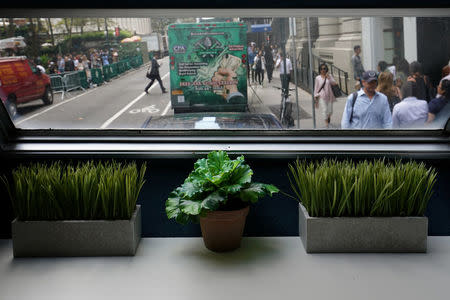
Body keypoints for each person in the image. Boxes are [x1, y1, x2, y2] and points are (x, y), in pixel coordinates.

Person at [314, 63, 338, 128]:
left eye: (324, 68)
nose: (323, 70)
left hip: (330, 96)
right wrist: (316, 98)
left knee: (330, 111)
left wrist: (329, 78)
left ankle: (328, 117)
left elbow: (334, 83)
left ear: (326, 69)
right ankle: (326, 123)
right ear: (319, 70)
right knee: (324, 109)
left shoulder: (329, 76)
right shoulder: (317, 78)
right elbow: (316, 88)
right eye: (321, 69)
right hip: (321, 96)